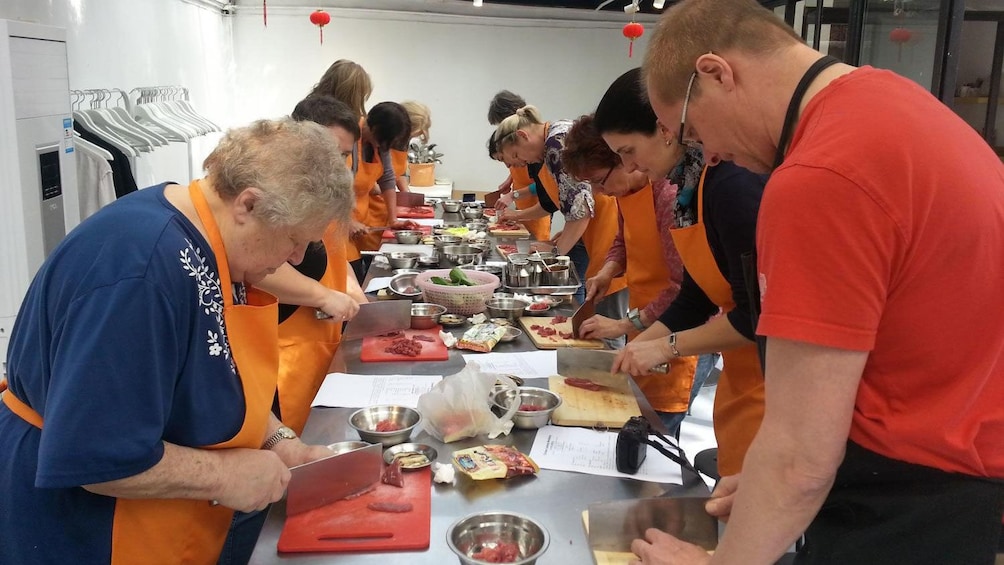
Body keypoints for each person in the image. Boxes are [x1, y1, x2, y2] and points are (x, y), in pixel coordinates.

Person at [634, 0, 1004, 563]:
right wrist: (768, 492)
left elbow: (799, 459)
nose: (709, 152)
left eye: (690, 130)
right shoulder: (893, 101)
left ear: (716, 73)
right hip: (961, 480)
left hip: (909, 504)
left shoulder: (820, 174)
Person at [0, 118, 354, 564]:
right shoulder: (140, 270)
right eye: (294, 241)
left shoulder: (211, 242)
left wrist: (280, 442)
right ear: (248, 204)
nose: (298, 260)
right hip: (87, 530)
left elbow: (214, 376)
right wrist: (224, 475)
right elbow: (97, 451)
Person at [589, 67, 766, 466]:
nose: (630, 167)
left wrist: (664, 346)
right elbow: (696, 294)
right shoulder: (691, 186)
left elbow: (755, 316)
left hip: (773, 380)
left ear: (665, 128)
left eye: (627, 151)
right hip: (740, 377)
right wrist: (641, 342)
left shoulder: (731, 185)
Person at [561, 112, 699, 434]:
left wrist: (624, 324)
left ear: (624, 158)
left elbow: (683, 288)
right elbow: (622, 242)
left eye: (600, 180)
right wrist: (607, 272)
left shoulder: (668, 197)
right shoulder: (628, 192)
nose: (601, 192)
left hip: (679, 328)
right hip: (644, 320)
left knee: (658, 426)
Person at [493, 105, 626, 305]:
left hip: (606, 230)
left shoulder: (555, 144)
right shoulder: (553, 137)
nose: (520, 163)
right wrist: (564, 236)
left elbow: (581, 212)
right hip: (595, 229)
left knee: (604, 309)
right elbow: (574, 200)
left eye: (515, 155)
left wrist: (552, 258)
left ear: (522, 135)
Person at [487, 90, 552, 243]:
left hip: (538, 208)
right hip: (525, 209)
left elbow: (546, 187)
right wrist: (510, 180)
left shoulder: (541, 149)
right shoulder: (527, 150)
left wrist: (514, 195)